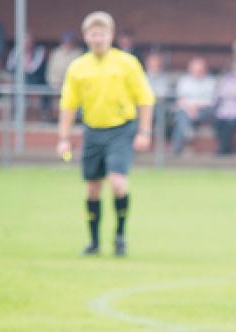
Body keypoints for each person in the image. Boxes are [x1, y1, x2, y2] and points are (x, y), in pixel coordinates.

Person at [57, 11, 154, 257]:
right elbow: (68, 104)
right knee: (92, 188)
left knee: (118, 182)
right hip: (92, 131)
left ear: (111, 35)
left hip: (121, 129)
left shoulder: (127, 63)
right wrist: (64, 139)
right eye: (93, 34)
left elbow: (145, 98)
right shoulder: (78, 67)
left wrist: (144, 130)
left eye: (102, 34)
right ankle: (94, 242)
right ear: (85, 36)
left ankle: (120, 236)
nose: (97, 38)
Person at [171, 56, 216, 156]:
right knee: (181, 115)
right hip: (186, 110)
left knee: (181, 120)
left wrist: (194, 107)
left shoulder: (211, 82)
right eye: (195, 69)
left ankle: (178, 146)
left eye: (200, 69)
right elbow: (180, 99)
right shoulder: (184, 81)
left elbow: (211, 101)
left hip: (204, 111)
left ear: (204, 70)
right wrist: (190, 108)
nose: (197, 72)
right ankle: (187, 131)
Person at [46, 32, 84, 122]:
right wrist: (53, 82)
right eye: (66, 41)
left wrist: (69, 83)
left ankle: (74, 119)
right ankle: (56, 119)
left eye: (70, 41)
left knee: (73, 103)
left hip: (72, 85)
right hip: (56, 85)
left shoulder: (78, 53)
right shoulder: (56, 53)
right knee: (56, 102)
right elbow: (50, 70)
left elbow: (78, 71)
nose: (67, 43)